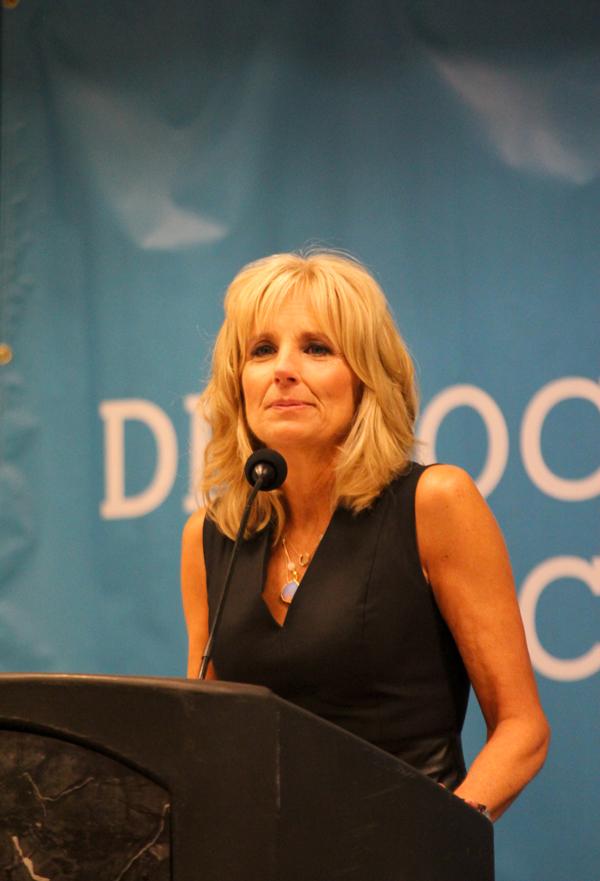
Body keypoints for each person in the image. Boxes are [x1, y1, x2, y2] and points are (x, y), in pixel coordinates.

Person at [181, 250, 550, 821]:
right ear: (238, 384)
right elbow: (207, 738)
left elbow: (522, 729)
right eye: (261, 350)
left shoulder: (435, 503)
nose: (283, 368)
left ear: (366, 379)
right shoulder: (211, 536)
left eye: (316, 348)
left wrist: (440, 840)